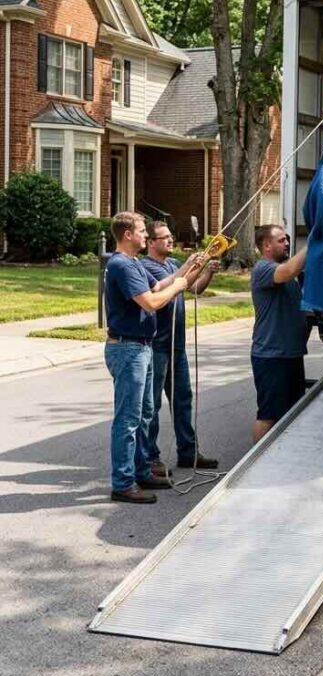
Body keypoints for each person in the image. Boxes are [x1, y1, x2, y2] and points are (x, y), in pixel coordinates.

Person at [104, 211, 204, 504]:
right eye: (141, 231)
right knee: (129, 418)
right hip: (128, 349)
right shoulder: (121, 265)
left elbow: (159, 285)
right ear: (127, 235)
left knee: (146, 412)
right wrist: (180, 287)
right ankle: (123, 483)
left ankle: (142, 470)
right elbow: (151, 302)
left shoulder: (134, 262)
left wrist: (188, 267)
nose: (146, 235)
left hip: (143, 346)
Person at [141, 221, 219, 476]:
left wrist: (207, 270)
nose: (170, 241)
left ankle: (188, 452)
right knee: (152, 406)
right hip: (157, 346)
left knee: (183, 400)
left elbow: (193, 286)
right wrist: (190, 265)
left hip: (177, 347)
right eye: (164, 238)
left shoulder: (174, 264)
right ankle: (151, 458)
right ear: (151, 242)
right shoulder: (146, 267)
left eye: (171, 236)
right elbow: (166, 287)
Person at [250, 224, 309, 443]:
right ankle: (254, 467)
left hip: (290, 354)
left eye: (287, 239)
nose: (287, 243)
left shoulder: (284, 270)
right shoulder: (263, 269)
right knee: (268, 416)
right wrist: (313, 239)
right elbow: (290, 270)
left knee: (292, 413)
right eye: (281, 240)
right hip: (271, 356)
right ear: (266, 245)